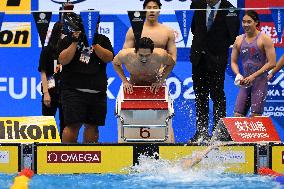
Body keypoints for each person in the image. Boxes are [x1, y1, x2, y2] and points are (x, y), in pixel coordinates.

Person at [58, 13, 114, 143]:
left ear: (97, 25)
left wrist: (93, 42)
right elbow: (63, 60)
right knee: (73, 125)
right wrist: (75, 42)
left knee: (93, 126)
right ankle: (65, 157)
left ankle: (89, 159)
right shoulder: (68, 39)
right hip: (73, 91)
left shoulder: (102, 39)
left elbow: (108, 58)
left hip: (97, 93)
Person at [189, 0, 240, 142]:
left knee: (217, 95)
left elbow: (232, 36)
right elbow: (194, 29)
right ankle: (201, 132)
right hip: (198, 58)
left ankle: (219, 133)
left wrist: (214, 46)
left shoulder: (230, 9)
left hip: (217, 59)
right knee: (200, 95)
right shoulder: (197, 4)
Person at [231, 10, 276, 117]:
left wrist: (253, 76)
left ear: (256, 22)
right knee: (237, 115)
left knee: (255, 116)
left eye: (249, 22)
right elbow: (233, 61)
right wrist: (238, 74)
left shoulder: (265, 39)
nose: (245, 25)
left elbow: (272, 63)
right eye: (244, 22)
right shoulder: (238, 40)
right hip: (246, 82)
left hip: (260, 82)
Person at [38, 21, 65, 140]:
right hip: (51, 91)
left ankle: (65, 150)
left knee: (66, 124)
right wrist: (46, 93)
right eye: (64, 33)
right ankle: (46, 148)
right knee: (48, 123)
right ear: (58, 33)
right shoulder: (47, 50)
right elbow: (43, 73)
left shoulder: (71, 51)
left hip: (67, 93)